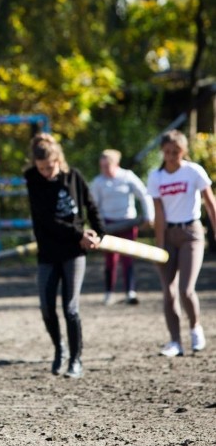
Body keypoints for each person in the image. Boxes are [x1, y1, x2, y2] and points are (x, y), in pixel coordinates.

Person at [24, 133, 105, 378]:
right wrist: (79, 233)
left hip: (74, 252)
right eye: (41, 168)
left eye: (49, 167)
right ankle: (59, 349)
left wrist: (98, 234)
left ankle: (75, 358)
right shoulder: (32, 180)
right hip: (48, 251)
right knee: (47, 307)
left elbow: (90, 205)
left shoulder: (74, 177)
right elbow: (46, 219)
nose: (46, 172)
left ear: (59, 159)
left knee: (70, 308)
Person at [146, 130, 216, 357]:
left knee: (186, 290)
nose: (171, 156)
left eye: (176, 152)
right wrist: (159, 244)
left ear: (183, 151)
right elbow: (158, 212)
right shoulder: (156, 177)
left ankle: (195, 328)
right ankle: (175, 341)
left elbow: (210, 202)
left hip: (191, 233)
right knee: (169, 292)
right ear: (162, 152)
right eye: (167, 152)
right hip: (168, 235)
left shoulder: (193, 171)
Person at [90, 149, 155, 306]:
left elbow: (144, 195)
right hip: (108, 225)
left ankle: (130, 291)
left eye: (107, 165)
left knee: (128, 259)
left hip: (127, 222)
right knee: (110, 261)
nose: (104, 169)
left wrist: (149, 216)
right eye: (102, 166)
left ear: (116, 164)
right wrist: (96, 227)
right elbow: (94, 206)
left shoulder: (127, 177)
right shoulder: (98, 182)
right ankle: (109, 292)